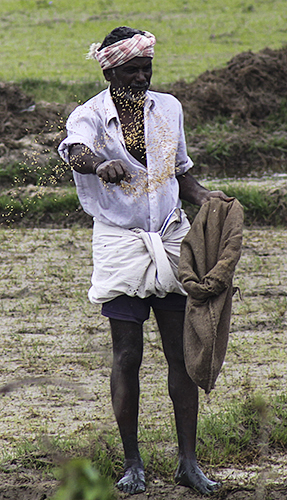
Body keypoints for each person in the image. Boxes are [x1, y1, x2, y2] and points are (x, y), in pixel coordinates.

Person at [58, 26, 230, 496]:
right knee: (127, 355)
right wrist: (97, 163)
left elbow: (180, 172)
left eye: (145, 69)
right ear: (109, 70)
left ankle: (188, 463)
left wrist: (203, 197)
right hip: (119, 244)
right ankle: (132, 464)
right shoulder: (90, 114)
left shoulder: (168, 108)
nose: (140, 78)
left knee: (182, 353)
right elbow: (73, 149)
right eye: (131, 71)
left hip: (171, 239)